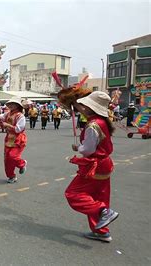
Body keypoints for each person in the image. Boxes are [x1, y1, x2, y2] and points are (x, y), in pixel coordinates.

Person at [65, 91, 119, 243]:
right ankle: (101, 231)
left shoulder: (93, 125)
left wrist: (79, 148)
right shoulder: (102, 121)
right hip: (105, 163)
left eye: (85, 105)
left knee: (73, 193)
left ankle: (103, 212)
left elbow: (88, 149)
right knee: (98, 197)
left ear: (91, 107)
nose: (83, 107)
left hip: (94, 164)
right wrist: (74, 104)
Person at [0, 97, 27, 183]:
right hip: (8, 139)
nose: (10, 105)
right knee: (7, 159)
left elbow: (18, 129)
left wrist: (7, 125)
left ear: (17, 106)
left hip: (18, 139)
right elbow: (1, 116)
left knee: (13, 156)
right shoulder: (8, 114)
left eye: (13, 104)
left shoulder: (20, 116)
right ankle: (11, 176)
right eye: (10, 104)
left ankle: (22, 164)